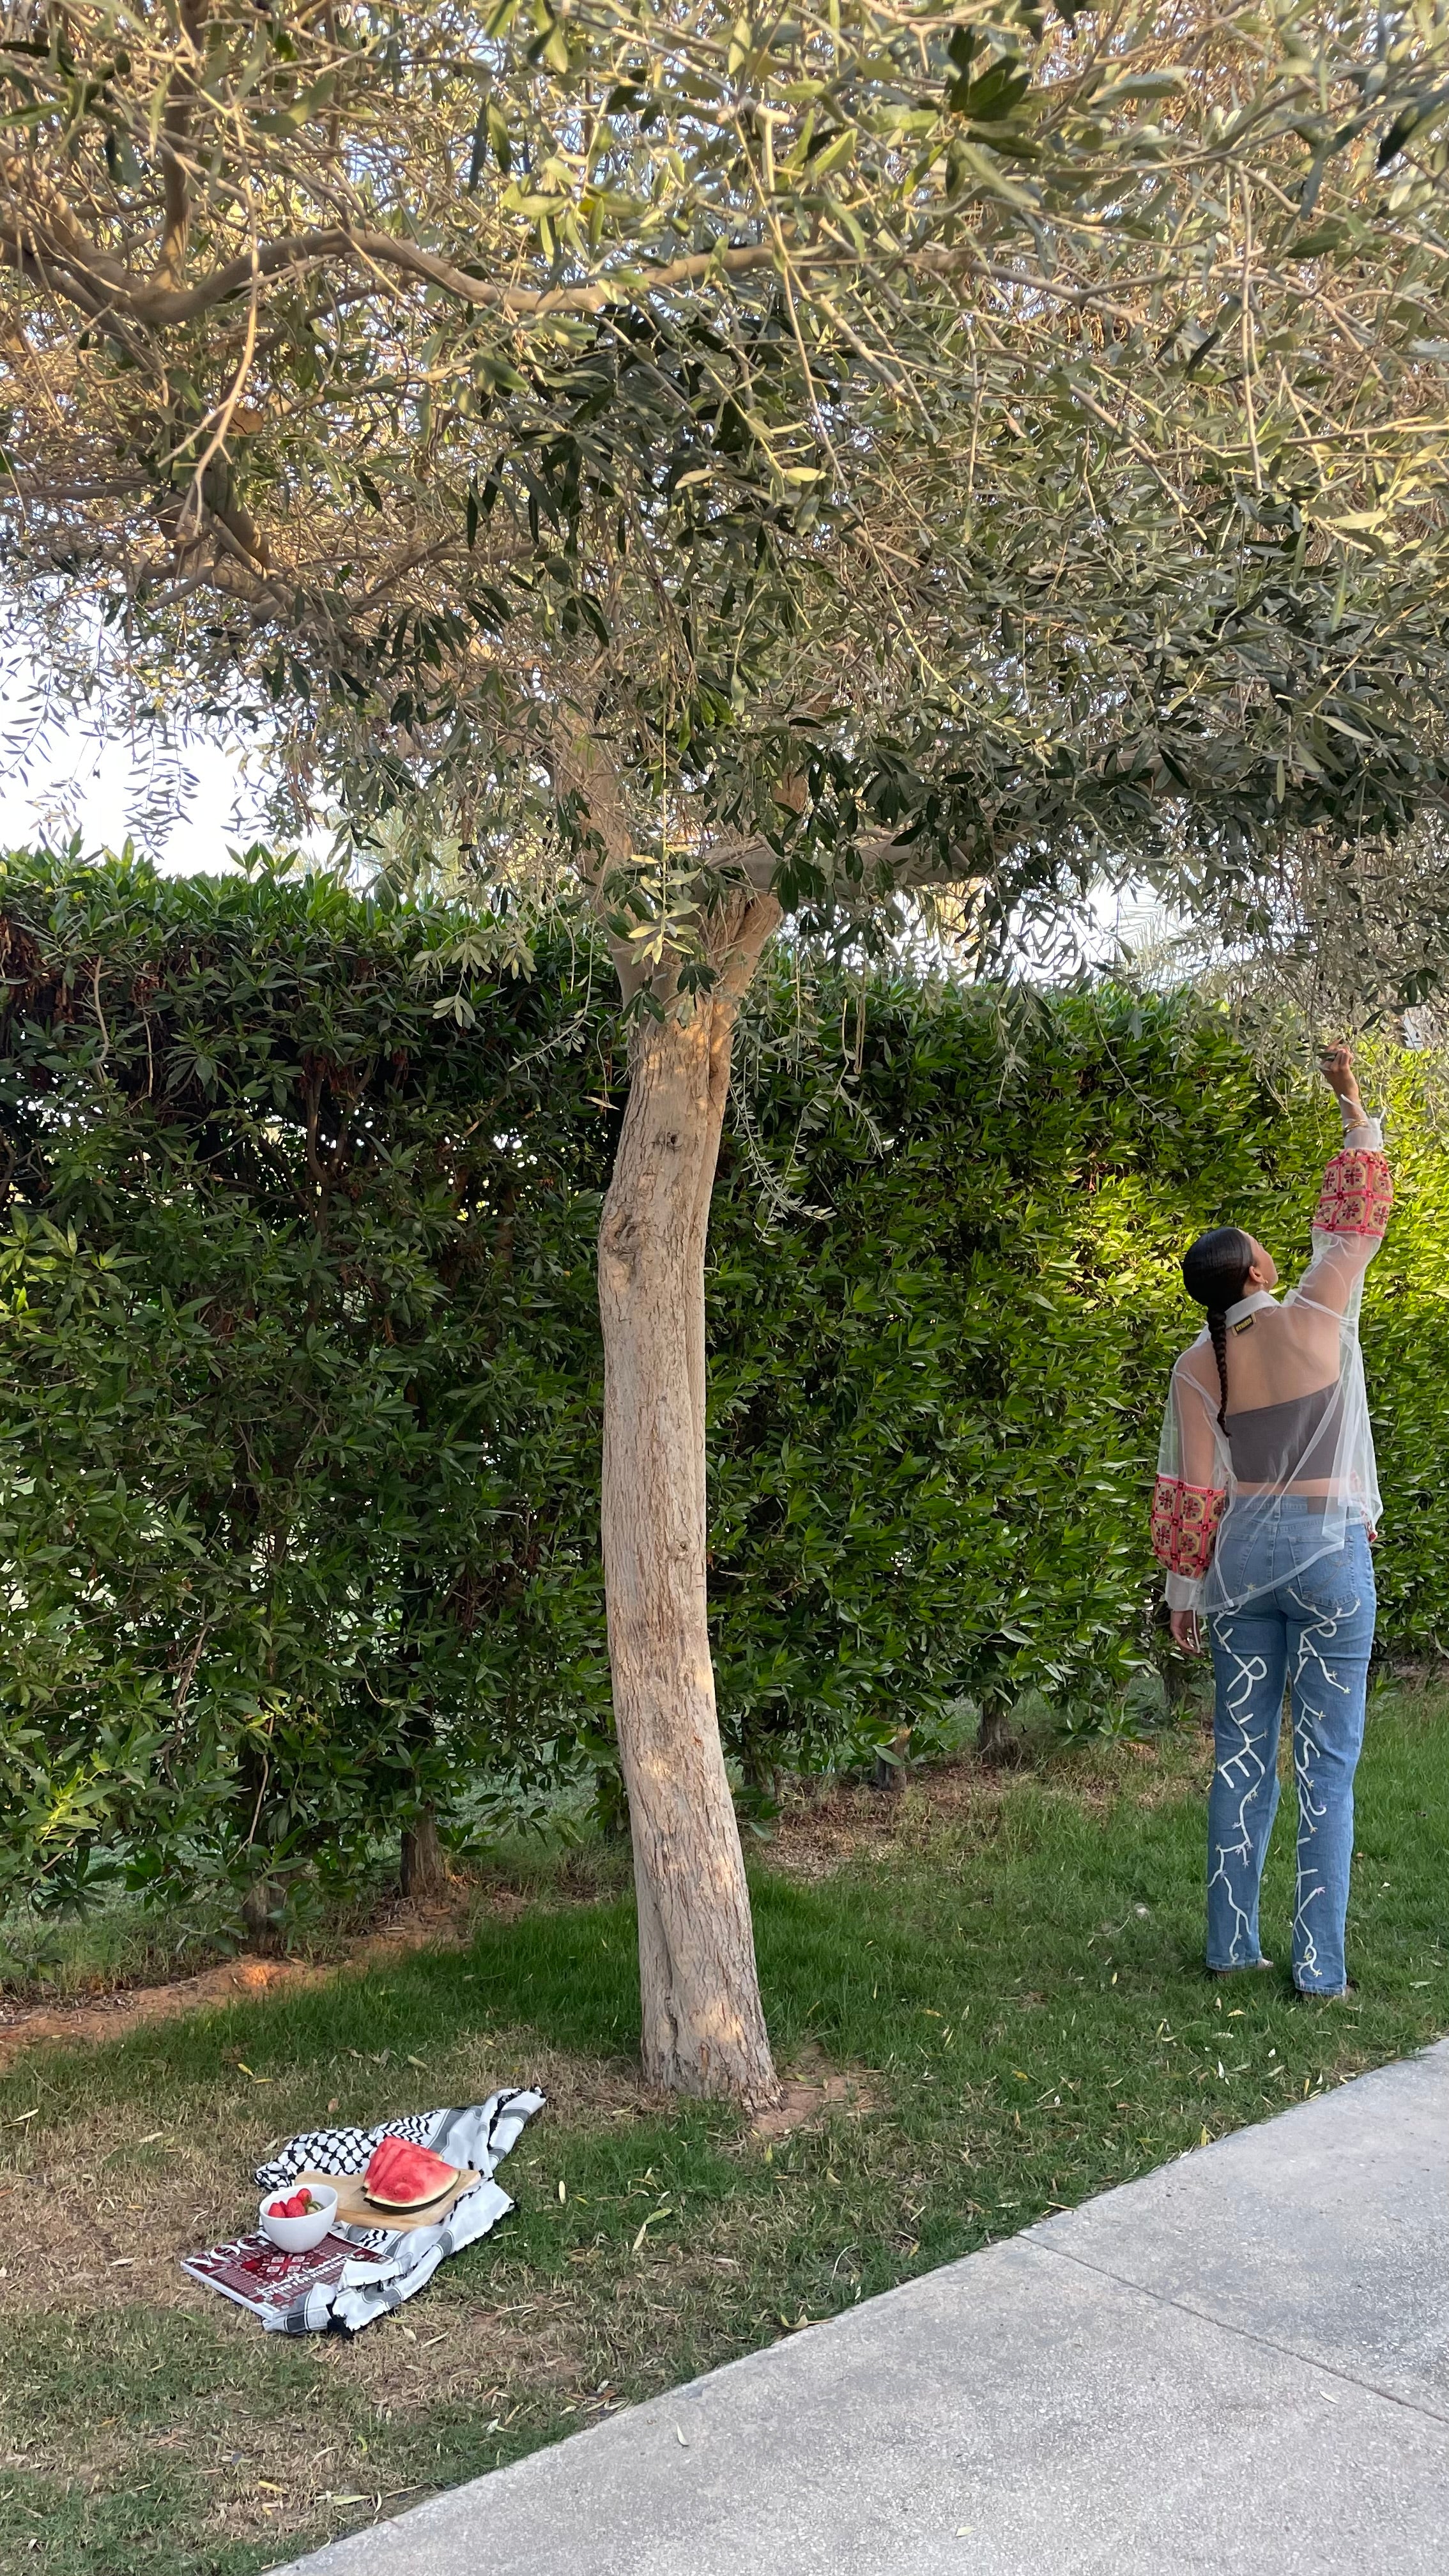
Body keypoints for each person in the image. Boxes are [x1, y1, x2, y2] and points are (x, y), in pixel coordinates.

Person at [1151, 1047, 1393, 1998]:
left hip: (1243, 1574)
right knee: (1327, 1769)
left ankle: (1228, 1945)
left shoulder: (1195, 1364)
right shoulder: (1318, 1314)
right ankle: (1319, 1970)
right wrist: (1354, 1109)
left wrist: (1184, 1593)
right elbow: (1356, 1216)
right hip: (1332, 1565)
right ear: (1258, 1268)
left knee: (1242, 1759)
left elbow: (1191, 1496)